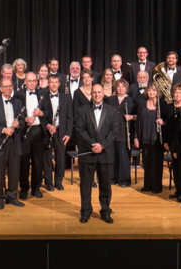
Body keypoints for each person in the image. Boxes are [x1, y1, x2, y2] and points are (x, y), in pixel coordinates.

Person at [75, 83, 119, 223]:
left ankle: (105, 211)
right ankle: (85, 211)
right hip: (88, 152)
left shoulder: (112, 110)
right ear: (91, 94)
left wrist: (102, 146)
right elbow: (80, 130)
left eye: (99, 92)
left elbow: (114, 131)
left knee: (105, 185)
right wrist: (92, 145)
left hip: (105, 154)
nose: (97, 95)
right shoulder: (82, 110)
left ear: (103, 94)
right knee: (85, 185)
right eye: (94, 92)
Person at [0, 79, 26, 209]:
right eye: (6, 86)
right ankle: (0, 198)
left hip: (14, 142)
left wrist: (19, 124)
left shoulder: (18, 102)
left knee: (14, 171)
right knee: (0, 172)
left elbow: (23, 121)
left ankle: (12, 196)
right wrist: (3, 130)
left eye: (10, 86)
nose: (9, 88)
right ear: (0, 89)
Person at [17, 72, 47, 199]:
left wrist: (41, 113)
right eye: (29, 80)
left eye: (34, 80)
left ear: (37, 81)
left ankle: (36, 188)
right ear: (25, 82)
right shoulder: (18, 95)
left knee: (37, 161)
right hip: (24, 130)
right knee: (23, 161)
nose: (32, 83)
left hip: (38, 131)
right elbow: (15, 112)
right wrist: (24, 119)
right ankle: (24, 188)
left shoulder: (43, 94)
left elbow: (49, 112)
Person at [41, 74, 73, 191]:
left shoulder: (66, 97)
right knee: (47, 158)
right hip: (47, 131)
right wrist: (47, 125)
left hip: (61, 131)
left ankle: (58, 182)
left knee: (60, 158)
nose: (54, 84)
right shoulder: (43, 96)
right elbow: (40, 117)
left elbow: (70, 117)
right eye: (51, 82)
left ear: (59, 84)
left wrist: (68, 133)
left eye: (56, 82)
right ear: (48, 83)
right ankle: (49, 182)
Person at [133, 83, 165, 194]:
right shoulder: (142, 103)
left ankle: (156, 186)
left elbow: (166, 121)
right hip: (145, 137)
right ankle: (147, 185)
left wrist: (163, 121)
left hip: (157, 139)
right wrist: (136, 137)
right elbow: (138, 122)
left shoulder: (162, 104)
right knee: (147, 163)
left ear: (157, 92)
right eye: (150, 91)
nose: (151, 93)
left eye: (154, 91)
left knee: (157, 163)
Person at [163, 83, 181, 202]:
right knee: (175, 167)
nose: (178, 94)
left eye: (180, 92)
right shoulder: (169, 107)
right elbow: (167, 126)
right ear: (173, 94)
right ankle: (178, 189)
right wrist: (166, 141)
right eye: (176, 92)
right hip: (173, 141)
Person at [106, 79, 136, 187]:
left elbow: (137, 116)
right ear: (115, 89)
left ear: (126, 88)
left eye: (123, 87)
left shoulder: (131, 100)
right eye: (118, 87)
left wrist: (131, 117)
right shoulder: (111, 100)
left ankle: (124, 180)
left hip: (125, 133)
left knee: (124, 157)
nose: (120, 89)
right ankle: (113, 178)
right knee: (113, 156)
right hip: (112, 133)